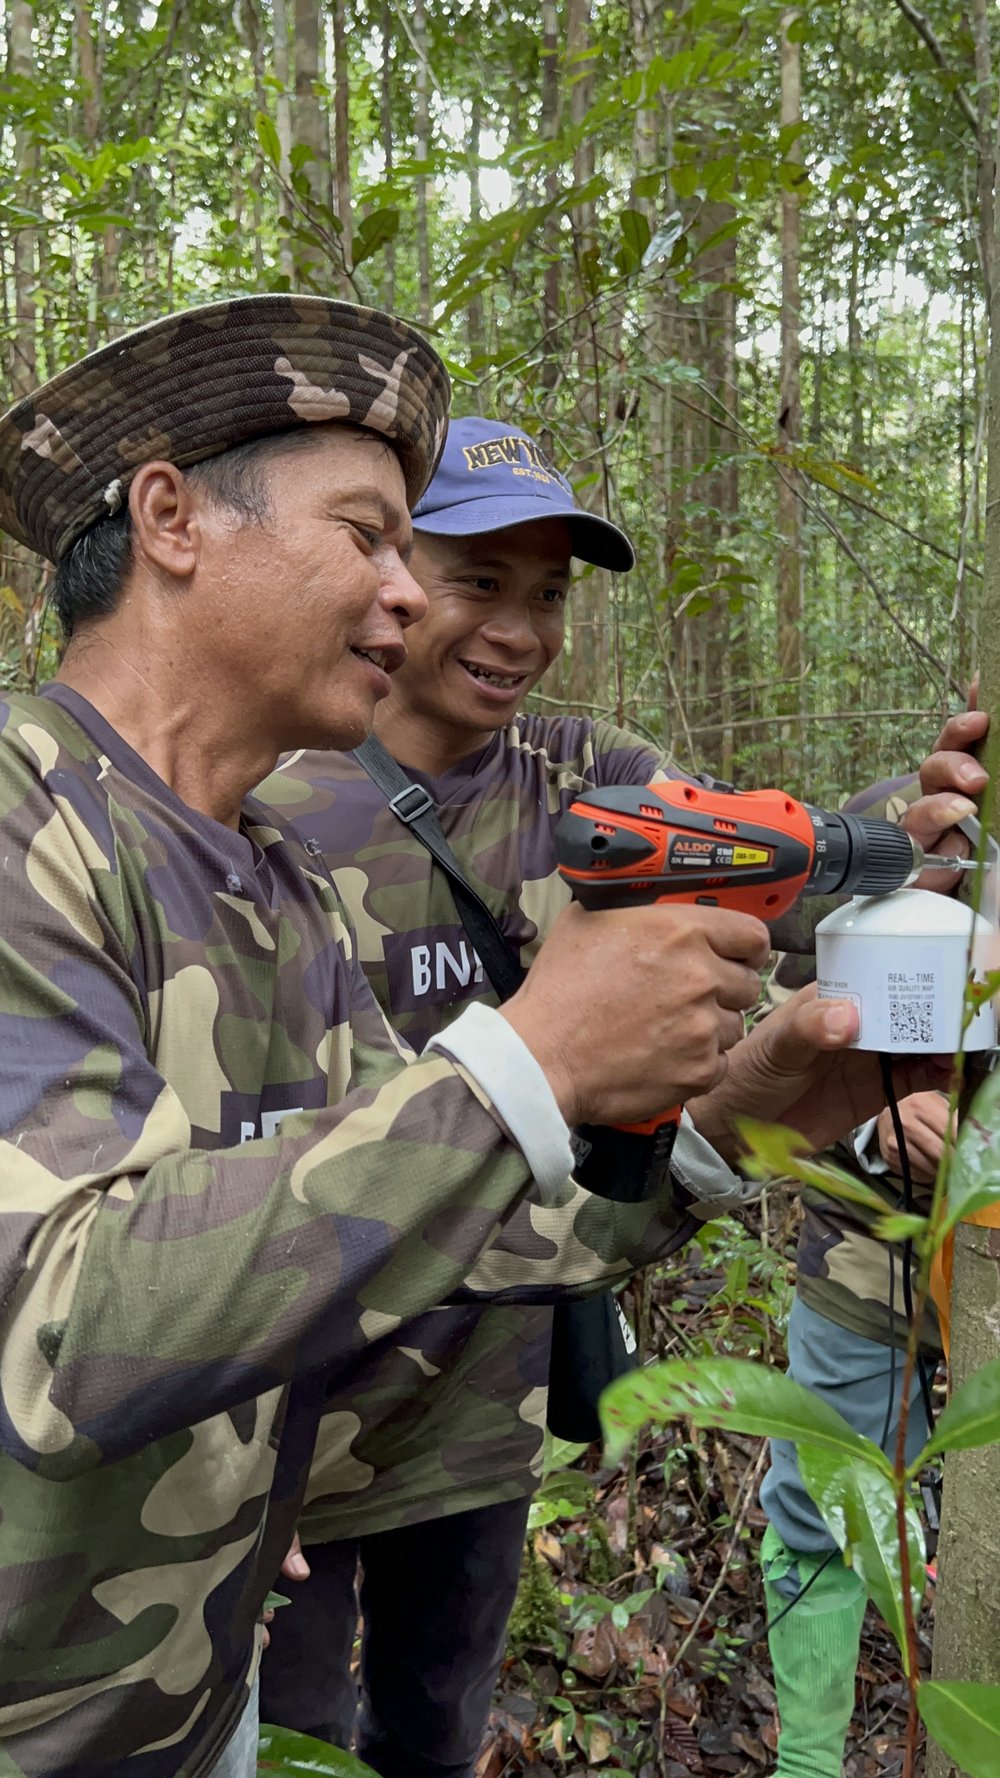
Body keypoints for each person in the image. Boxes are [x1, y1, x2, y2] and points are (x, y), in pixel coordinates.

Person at [0, 306, 900, 1778]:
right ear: (169, 517)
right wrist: (525, 1058)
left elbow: (447, 1223)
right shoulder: (26, 829)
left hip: (188, 1697)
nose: (404, 597)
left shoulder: (263, 875)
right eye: (368, 537)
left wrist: (733, 1120)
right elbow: (61, 1334)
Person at [256, 417, 969, 1777]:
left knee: (437, 1713)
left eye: (548, 596)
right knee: (291, 1730)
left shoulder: (590, 774)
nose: (517, 629)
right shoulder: (279, 790)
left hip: (484, 1387)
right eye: (482, 581)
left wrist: (906, 826)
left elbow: (775, 862)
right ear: (396, 572)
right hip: (301, 1387)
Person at [758, 756, 985, 1778]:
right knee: (821, 1498)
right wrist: (872, 1124)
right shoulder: (931, 807)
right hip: (869, 1245)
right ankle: (808, 1757)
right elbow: (780, 995)